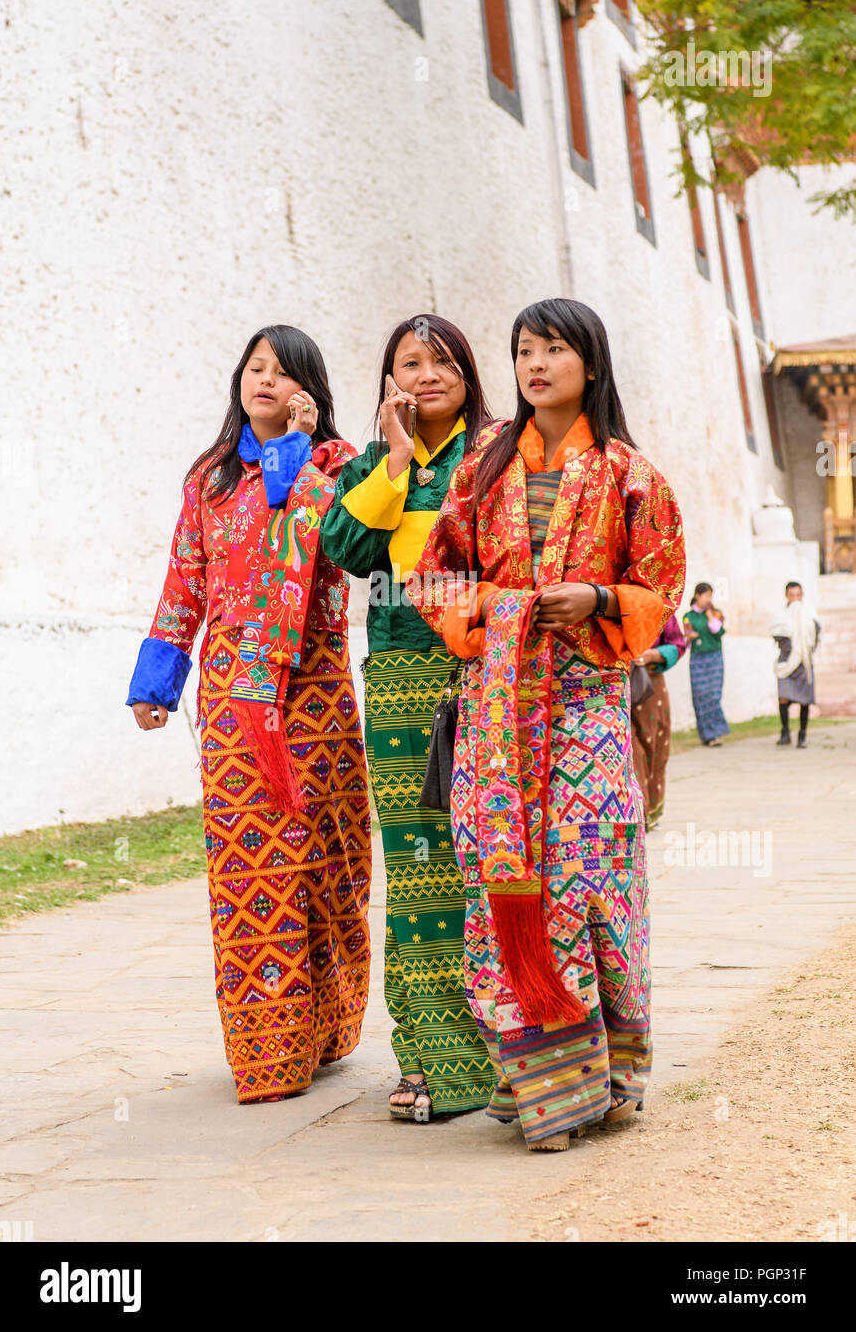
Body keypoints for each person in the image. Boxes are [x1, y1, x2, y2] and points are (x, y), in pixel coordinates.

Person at [409, 297, 685, 1151]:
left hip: (590, 710)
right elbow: (433, 576)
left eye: (555, 349)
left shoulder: (633, 476)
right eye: (525, 349)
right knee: (508, 890)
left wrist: (599, 597)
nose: (535, 363)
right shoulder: (478, 472)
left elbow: (663, 597)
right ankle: (542, 1092)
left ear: (591, 366)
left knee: (588, 882)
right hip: (497, 713)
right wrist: (506, 609)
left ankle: (609, 1078)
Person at [126, 325, 372, 1104]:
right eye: (255, 367)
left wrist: (299, 442)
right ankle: (268, 1051)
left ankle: (328, 1025)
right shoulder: (207, 479)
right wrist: (155, 682)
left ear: (311, 387)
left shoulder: (337, 466)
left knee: (329, 857)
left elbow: (296, 519)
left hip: (313, 679)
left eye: (284, 371)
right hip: (236, 691)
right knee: (249, 861)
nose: (265, 379)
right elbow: (184, 581)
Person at [321, 314, 496, 1122]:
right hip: (398, 679)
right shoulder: (374, 462)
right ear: (389, 382)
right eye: (408, 363)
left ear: (467, 370)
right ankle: (429, 1055)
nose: (426, 375)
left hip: (483, 676)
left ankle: (506, 1048)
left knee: (482, 864)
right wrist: (393, 463)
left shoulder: (495, 452)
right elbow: (345, 546)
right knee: (420, 871)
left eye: (440, 360)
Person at [631, 614, 686, 830]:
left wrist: (652, 654)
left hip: (649, 682)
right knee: (631, 748)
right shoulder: (606, 598)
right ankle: (637, 811)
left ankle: (650, 809)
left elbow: (677, 644)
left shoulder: (661, 607)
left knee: (654, 745)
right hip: (614, 681)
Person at [770, 580, 820, 748]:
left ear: (802, 595)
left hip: (803, 662)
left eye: (798, 595)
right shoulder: (780, 615)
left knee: (804, 700)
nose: (795, 599)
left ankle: (802, 734)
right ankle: (785, 732)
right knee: (783, 697)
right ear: (787, 596)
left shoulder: (810, 614)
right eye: (792, 596)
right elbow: (776, 633)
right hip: (786, 661)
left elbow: (815, 634)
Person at [682, 583, 729, 746]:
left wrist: (710, 616)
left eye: (711, 596)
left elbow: (718, 631)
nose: (709, 599)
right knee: (700, 695)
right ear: (697, 595)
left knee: (714, 694)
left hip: (714, 657)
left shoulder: (716, 613)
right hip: (697, 658)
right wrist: (689, 637)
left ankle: (716, 732)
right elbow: (686, 638)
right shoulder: (689, 616)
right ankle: (707, 734)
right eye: (706, 595)